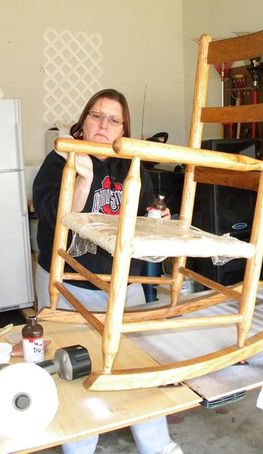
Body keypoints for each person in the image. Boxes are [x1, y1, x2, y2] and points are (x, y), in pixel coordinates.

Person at [33, 89, 180, 454]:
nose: (103, 124)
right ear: (82, 122)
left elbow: (146, 225)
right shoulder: (60, 160)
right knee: (77, 376)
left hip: (121, 285)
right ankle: (79, 448)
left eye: (114, 119)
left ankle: (158, 447)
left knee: (137, 371)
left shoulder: (131, 166)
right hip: (71, 286)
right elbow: (57, 222)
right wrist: (82, 180)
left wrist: (158, 221)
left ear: (123, 129)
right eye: (96, 115)